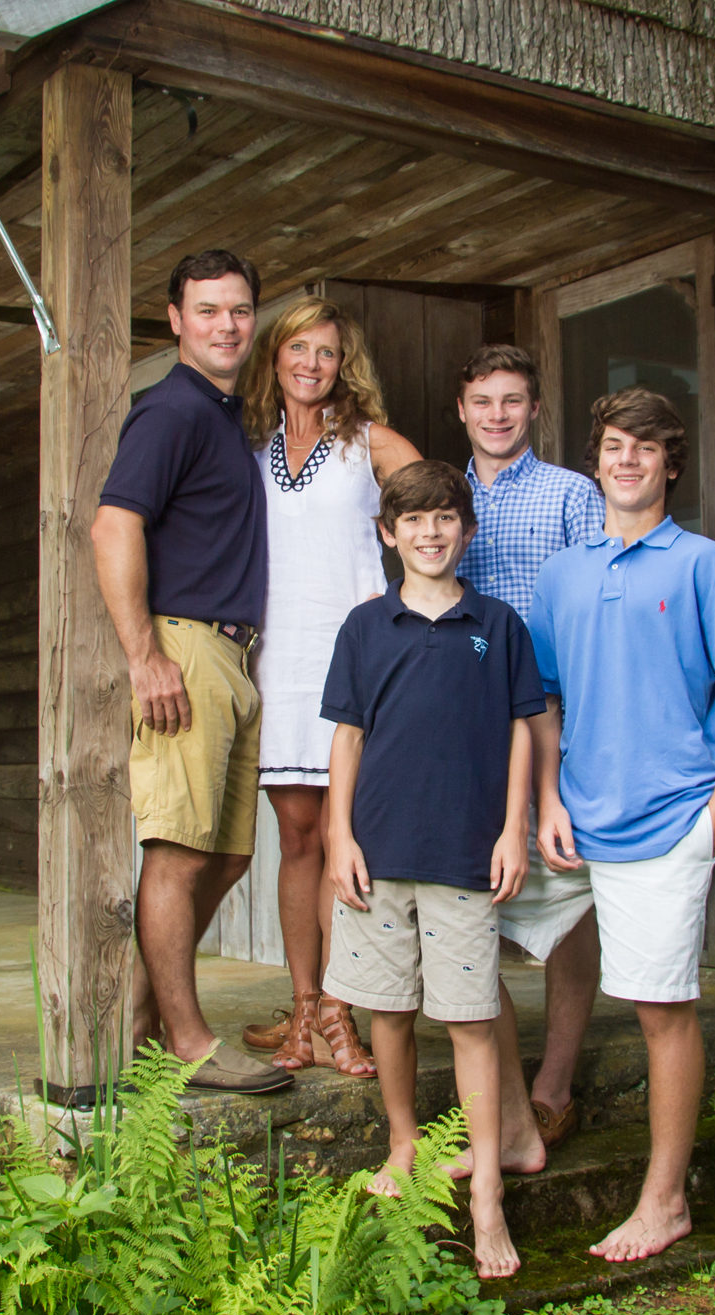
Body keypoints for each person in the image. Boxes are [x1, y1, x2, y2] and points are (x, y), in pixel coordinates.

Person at [528, 387, 715, 1262]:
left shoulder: (705, 564)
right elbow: (545, 699)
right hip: (573, 817)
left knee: (660, 1007)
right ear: (596, 461)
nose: (628, 459)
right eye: (615, 445)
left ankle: (663, 1199)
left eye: (646, 447)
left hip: (670, 816)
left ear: (671, 462)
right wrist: (548, 797)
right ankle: (511, 1131)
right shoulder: (564, 574)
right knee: (463, 932)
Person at [319, 459, 541, 1279]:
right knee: (388, 1006)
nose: (431, 531)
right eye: (413, 520)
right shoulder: (365, 627)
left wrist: (513, 828)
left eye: (445, 517)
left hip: (464, 850)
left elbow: (524, 726)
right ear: (389, 533)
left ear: (467, 530)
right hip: (379, 849)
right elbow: (346, 737)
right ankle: (404, 1141)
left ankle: (486, 1187)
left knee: (472, 1016)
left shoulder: (499, 623)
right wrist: (340, 835)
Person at [90, 248, 292, 1095]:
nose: (227, 324)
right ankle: (186, 1037)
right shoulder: (170, 410)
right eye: (207, 310)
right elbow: (111, 526)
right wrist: (146, 657)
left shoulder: (222, 415)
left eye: (240, 309)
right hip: (186, 648)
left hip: (235, 656)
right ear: (175, 319)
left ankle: (142, 1015)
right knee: (176, 852)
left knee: (229, 854)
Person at [234, 297, 422, 1078]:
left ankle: (344, 1008)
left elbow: (433, 513)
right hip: (280, 657)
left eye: (327, 352)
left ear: (345, 364)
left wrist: (411, 617)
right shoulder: (253, 453)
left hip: (355, 662)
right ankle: (305, 1010)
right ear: (274, 358)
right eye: (298, 349)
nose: (312, 364)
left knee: (352, 836)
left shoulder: (370, 444)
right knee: (298, 838)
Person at [449, 345, 607, 1167]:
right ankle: (502, 1100)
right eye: (484, 401)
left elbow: (598, 601)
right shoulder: (445, 499)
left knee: (566, 888)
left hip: (561, 712)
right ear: (463, 410)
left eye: (513, 400)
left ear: (534, 409)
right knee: (469, 895)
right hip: (470, 724)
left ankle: (553, 1083)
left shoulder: (573, 495)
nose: (498, 414)